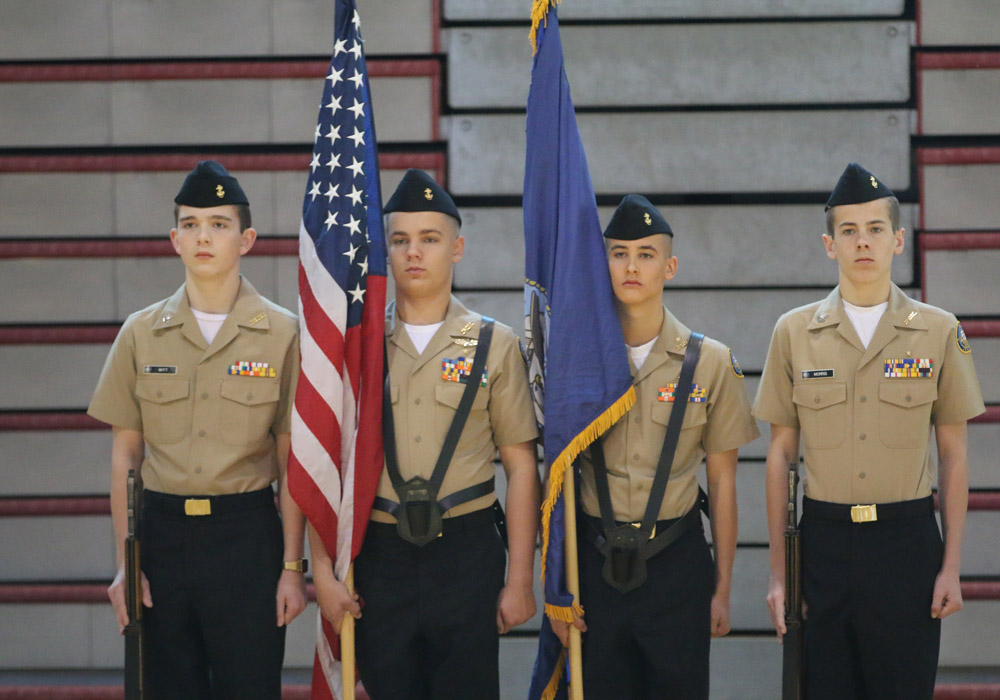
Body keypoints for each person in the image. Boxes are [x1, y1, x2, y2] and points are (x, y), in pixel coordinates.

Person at [754, 162, 985, 699]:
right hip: (823, 546)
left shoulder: (938, 331)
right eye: (849, 230)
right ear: (829, 244)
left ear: (898, 239)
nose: (863, 241)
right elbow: (780, 455)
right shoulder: (793, 332)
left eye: (876, 229)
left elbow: (953, 454)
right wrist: (780, 574)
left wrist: (951, 566)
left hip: (906, 546)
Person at [309, 169, 541, 700]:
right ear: (386, 251)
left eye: (430, 239)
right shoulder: (359, 345)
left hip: (466, 552)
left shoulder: (494, 344)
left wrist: (520, 578)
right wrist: (321, 569)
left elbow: (521, 466)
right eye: (400, 240)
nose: (414, 252)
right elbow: (323, 463)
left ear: (457, 248)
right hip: (380, 556)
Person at [88, 160, 307, 700]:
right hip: (162, 540)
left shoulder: (284, 334)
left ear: (246, 239)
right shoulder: (140, 333)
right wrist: (126, 564)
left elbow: (292, 462)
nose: (203, 236)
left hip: (247, 539)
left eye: (218, 224)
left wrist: (291, 567)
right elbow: (125, 456)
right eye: (190, 224)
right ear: (175, 240)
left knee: (249, 688)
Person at [550, 195, 760, 699]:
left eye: (646, 254)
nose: (631, 266)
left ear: (670, 267)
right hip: (594, 564)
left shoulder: (710, 362)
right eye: (619, 253)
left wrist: (722, 589)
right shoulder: (572, 359)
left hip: (675, 566)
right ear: (603, 264)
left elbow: (723, 482)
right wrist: (557, 586)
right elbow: (554, 475)